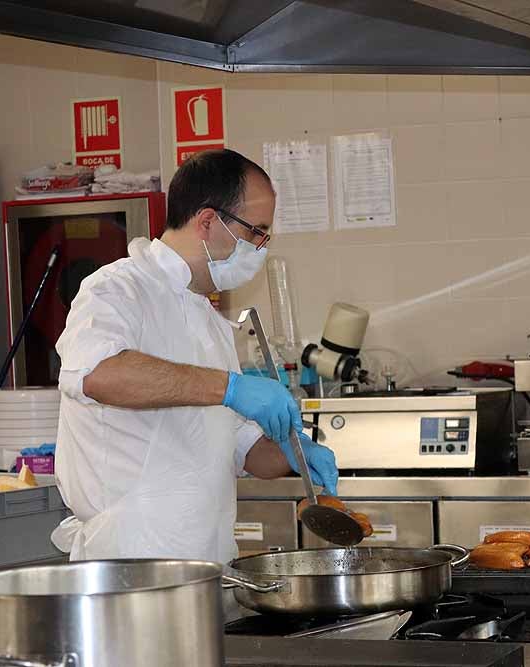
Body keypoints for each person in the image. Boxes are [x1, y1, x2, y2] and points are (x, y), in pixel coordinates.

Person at [51, 149, 339, 563]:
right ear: (207, 221)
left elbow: (237, 445)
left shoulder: (208, 319)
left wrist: (291, 453)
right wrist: (231, 388)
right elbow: (97, 374)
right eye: (256, 231)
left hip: (207, 565)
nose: (260, 246)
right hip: (131, 564)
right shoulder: (117, 289)